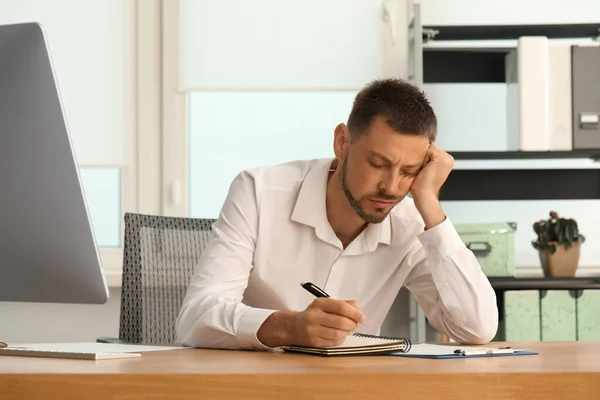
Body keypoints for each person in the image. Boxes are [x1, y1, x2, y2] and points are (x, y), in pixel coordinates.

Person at [176, 78, 498, 350]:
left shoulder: (411, 222)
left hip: (352, 389)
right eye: (377, 164)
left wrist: (428, 201)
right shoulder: (258, 191)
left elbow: (476, 329)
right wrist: (289, 327)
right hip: (258, 386)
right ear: (342, 142)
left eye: (409, 171)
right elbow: (195, 317)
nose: (391, 186)